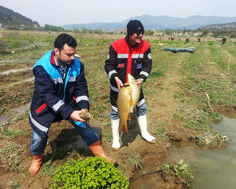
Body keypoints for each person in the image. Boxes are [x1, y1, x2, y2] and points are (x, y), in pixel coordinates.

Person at [28, 33, 112, 175]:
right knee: (38, 136)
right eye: (68, 55)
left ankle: (101, 155)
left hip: (69, 102)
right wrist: (70, 113)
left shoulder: (77, 65)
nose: (72, 58)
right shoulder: (42, 67)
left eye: (74, 54)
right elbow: (48, 96)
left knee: (84, 126)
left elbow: (81, 88)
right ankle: (37, 158)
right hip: (45, 106)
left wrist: (83, 106)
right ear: (57, 51)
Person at [104, 20, 156, 150]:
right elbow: (108, 65)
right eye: (137, 33)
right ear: (129, 33)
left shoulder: (145, 46)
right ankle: (116, 138)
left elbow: (147, 65)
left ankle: (144, 133)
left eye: (141, 33)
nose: (140, 36)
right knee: (116, 112)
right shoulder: (116, 46)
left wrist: (142, 78)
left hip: (135, 87)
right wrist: (115, 77)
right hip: (118, 88)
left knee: (142, 107)